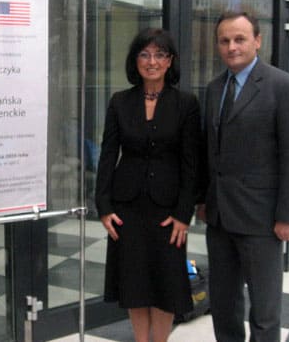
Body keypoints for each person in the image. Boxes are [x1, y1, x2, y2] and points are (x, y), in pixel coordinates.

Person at [198, 11, 289, 342]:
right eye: (224, 40)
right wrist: (204, 200)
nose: (231, 47)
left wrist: (288, 215)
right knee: (223, 305)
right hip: (220, 218)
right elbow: (211, 151)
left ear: (257, 41)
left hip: (262, 221)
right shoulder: (214, 88)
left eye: (239, 39)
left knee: (264, 312)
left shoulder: (284, 86)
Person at [95, 28, 201, 342]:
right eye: (144, 54)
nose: (151, 61)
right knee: (135, 281)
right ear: (135, 60)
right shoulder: (119, 102)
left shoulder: (186, 103)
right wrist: (103, 206)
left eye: (159, 54)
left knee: (165, 282)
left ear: (170, 62)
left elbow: (191, 163)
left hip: (168, 210)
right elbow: (107, 155)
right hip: (127, 206)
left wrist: (185, 213)